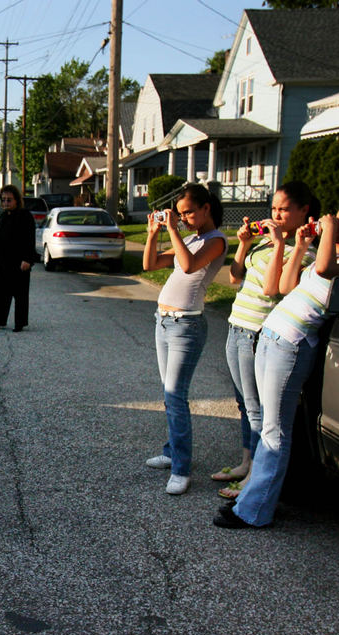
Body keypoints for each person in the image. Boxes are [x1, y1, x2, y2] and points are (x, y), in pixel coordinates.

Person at [214, 201, 339, 529]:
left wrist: (327, 232)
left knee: (275, 430)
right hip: (271, 337)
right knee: (269, 424)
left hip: (292, 346)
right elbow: (283, 287)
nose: (336, 231)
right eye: (335, 225)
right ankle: (255, 498)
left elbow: (325, 270)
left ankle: (254, 511)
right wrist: (303, 244)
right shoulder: (331, 256)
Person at [214, 182, 319, 499]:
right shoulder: (265, 243)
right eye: (274, 208)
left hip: (258, 331)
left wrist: (279, 244)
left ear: (304, 211)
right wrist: (244, 245)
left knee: (257, 408)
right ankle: (246, 462)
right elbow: (235, 278)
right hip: (237, 325)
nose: (276, 214)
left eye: (284, 209)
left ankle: (255, 479)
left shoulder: (303, 250)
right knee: (244, 405)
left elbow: (274, 289)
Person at [142, 184, 228, 495]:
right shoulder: (190, 238)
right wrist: (153, 233)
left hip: (186, 326)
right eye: (180, 214)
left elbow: (190, 265)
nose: (184, 218)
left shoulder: (216, 240)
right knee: (169, 395)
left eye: (189, 212)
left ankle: (181, 468)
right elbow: (150, 265)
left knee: (176, 396)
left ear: (207, 208)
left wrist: (174, 230)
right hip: (163, 322)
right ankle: (171, 450)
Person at [0, 184, 36, 333]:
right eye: (4, 200)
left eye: (9, 200)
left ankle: (19, 324)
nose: (6, 203)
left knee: (20, 295)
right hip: (4, 261)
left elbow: (30, 239)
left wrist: (27, 259)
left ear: (16, 200)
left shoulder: (25, 216)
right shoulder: (2, 216)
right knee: (0, 293)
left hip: (20, 262)